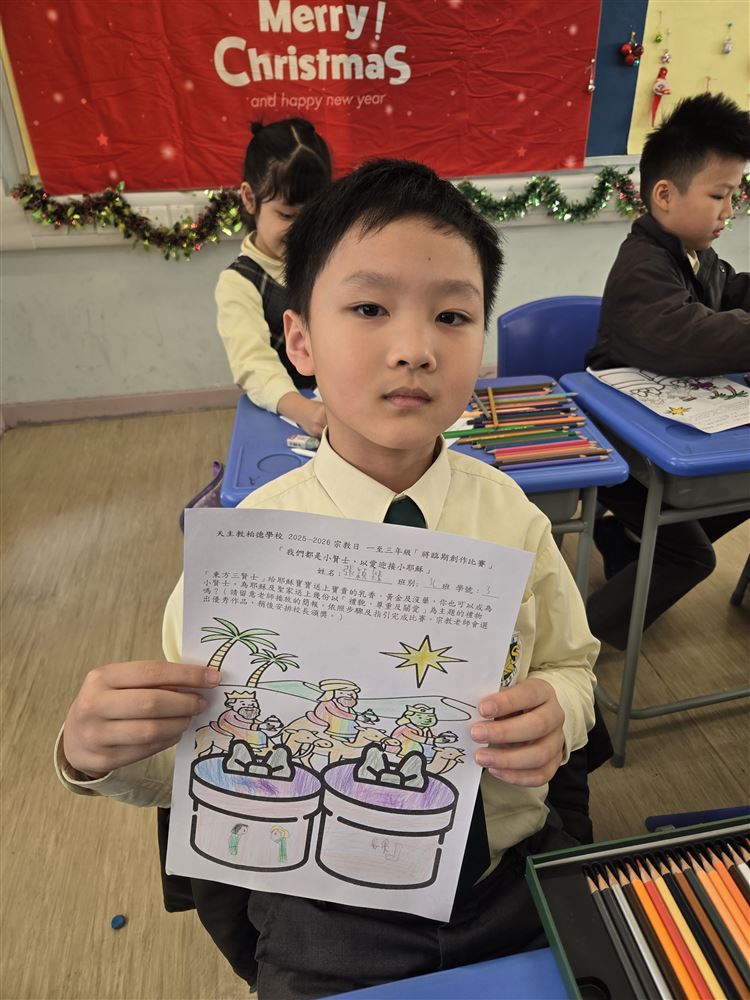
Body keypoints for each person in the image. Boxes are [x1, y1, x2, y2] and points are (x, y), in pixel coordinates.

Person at [56, 159, 600, 999]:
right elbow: (192, 762)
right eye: (370, 308)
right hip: (327, 909)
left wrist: (559, 710)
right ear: (300, 341)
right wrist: (91, 753)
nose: (415, 348)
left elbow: (573, 663)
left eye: (453, 315)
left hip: (504, 878)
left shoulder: (512, 517)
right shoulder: (247, 549)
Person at [585, 92, 750, 650]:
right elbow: (687, 336)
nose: (729, 210)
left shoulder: (697, 254)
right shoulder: (642, 266)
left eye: (735, 195)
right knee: (692, 556)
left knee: (737, 491)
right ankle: (577, 641)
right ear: (664, 195)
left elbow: (731, 292)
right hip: (624, 448)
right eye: (719, 195)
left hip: (671, 433)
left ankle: (629, 543)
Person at [218, 117, 332, 438]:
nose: (301, 231)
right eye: (287, 215)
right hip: (288, 416)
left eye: (313, 216)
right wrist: (303, 410)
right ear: (249, 198)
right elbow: (253, 365)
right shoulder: (240, 282)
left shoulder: (331, 258)